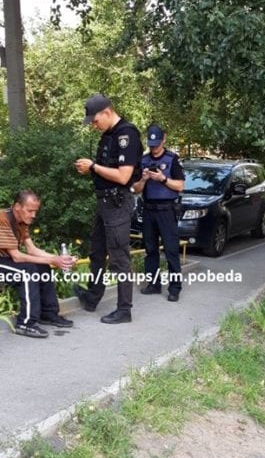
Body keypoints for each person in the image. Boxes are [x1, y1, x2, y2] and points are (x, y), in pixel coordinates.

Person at [0, 190, 76, 338]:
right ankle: (25, 324)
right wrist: (53, 260)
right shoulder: (1, 218)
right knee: (27, 272)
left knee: (43, 267)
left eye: (35, 211)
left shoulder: (22, 221)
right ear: (17, 206)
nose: (33, 215)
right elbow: (17, 257)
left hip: (1, 259)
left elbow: (32, 250)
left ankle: (48, 314)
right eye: (30, 210)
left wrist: (61, 259)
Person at [74, 94, 143, 324]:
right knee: (96, 252)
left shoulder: (127, 135)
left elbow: (124, 177)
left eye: (95, 121)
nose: (94, 126)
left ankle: (124, 309)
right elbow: (107, 169)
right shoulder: (108, 135)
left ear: (106, 112)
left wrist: (93, 166)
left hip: (117, 203)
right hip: (104, 202)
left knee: (119, 257)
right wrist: (91, 170)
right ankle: (93, 296)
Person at [132, 123, 185, 302]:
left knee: (171, 250)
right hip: (149, 210)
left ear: (164, 139)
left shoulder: (172, 159)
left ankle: (175, 288)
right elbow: (136, 189)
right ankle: (154, 284)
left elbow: (179, 186)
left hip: (167, 210)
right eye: (151, 144)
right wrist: (145, 179)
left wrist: (162, 179)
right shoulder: (144, 160)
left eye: (156, 144)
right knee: (150, 249)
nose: (154, 148)